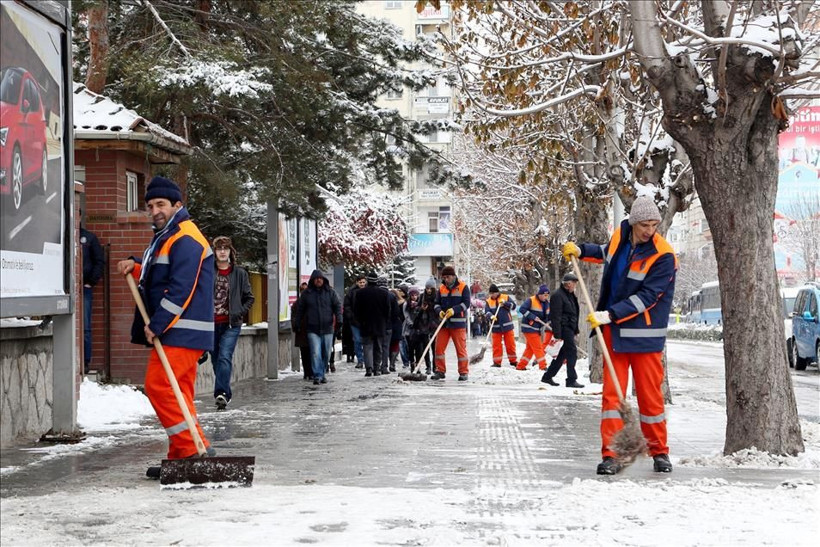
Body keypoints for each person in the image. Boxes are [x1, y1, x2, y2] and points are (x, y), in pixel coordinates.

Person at [563, 195, 677, 475]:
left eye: (654, 225)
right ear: (633, 222)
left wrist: (610, 314)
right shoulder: (620, 236)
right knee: (612, 398)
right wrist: (580, 250)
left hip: (644, 336)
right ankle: (611, 454)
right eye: (645, 225)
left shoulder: (663, 256)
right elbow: (604, 253)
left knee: (651, 398)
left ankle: (659, 451)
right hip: (614, 334)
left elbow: (648, 297)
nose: (650, 230)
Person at [117, 175, 214, 460]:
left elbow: (181, 288)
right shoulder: (168, 236)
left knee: (159, 387)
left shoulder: (186, 237)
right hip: (182, 329)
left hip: (182, 329)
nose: (154, 210)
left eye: (161, 204)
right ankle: (190, 449)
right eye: (149, 205)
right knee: (177, 391)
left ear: (177, 204)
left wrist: (157, 324)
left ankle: (188, 452)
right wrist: (136, 267)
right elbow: (158, 276)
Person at [208, 236, 254, 410]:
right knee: (215, 360)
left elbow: (250, 298)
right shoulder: (208, 271)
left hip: (231, 324)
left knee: (225, 356)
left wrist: (239, 312)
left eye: (225, 249)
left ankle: (222, 393)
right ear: (214, 252)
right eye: (219, 248)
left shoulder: (239, 273)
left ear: (230, 252)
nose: (222, 251)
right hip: (211, 324)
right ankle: (224, 392)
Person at [292, 270, 342, 385]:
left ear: (324, 280)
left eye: (320, 278)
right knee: (315, 352)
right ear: (312, 280)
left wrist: (339, 320)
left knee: (326, 352)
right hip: (312, 328)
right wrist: (297, 323)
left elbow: (337, 306)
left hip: (328, 328)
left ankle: (323, 371)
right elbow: (300, 310)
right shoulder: (307, 294)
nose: (318, 280)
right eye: (316, 278)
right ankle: (317, 375)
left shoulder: (330, 292)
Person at [540, 275, 583, 387]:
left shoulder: (570, 295)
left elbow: (574, 313)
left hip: (570, 327)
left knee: (562, 354)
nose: (575, 286)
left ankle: (548, 376)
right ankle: (571, 379)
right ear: (568, 284)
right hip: (564, 328)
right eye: (574, 283)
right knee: (572, 352)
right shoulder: (558, 295)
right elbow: (556, 316)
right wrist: (557, 333)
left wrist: (576, 328)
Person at [433, 265, 471, 381]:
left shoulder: (463, 287)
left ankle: (463, 372)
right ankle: (440, 371)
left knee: (460, 349)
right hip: (443, 324)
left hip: (458, 324)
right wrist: (439, 312)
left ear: (453, 276)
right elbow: (436, 303)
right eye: (443, 277)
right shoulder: (441, 288)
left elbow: (466, 304)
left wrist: (454, 310)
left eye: (447, 277)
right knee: (439, 349)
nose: (445, 279)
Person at [353, 271, 392, 377]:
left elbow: (357, 310)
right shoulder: (384, 293)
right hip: (380, 324)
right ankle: (377, 368)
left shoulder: (360, 293)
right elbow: (387, 310)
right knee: (378, 347)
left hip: (366, 324)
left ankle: (369, 368)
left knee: (367, 346)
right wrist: (384, 321)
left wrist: (360, 321)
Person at [80, 226, 104, 374]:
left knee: (85, 326)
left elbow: (99, 261)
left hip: (84, 288)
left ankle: (85, 361)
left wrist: (91, 281)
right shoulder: (61, 234)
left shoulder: (89, 238)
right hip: (65, 288)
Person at [515, 285, 551, 371]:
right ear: (539, 294)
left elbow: (547, 316)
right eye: (544, 295)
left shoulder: (547, 304)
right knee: (538, 347)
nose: (546, 297)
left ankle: (521, 366)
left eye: (547, 295)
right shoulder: (531, 300)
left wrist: (549, 322)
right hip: (528, 327)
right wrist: (533, 317)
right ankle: (543, 366)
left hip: (537, 329)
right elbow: (522, 309)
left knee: (530, 349)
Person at [485, 284, 517, 367]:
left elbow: (513, 306)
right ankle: (497, 362)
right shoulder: (488, 301)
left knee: (510, 344)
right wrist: (491, 316)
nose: (492, 295)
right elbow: (487, 312)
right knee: (496, 346)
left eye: (493, 293)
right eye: (491, 294)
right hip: (495, 327)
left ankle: (513, 361)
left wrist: (505, 303)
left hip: (507, 326)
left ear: (497, 293)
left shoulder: (505, 297)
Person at [344, 274, 366, 368]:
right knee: (357, 341)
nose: (362, 284)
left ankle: (366, 359)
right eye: (360, 282)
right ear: (357, 282)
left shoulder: (368, 291)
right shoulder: (351, 292)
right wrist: (351, 316)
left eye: (363, 282)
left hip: (366, 321)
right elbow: (347, 305)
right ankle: (360, 360)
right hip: (354, 320)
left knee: (366, 341)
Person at [292, 282, 312, 380]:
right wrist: (296, 327)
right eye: (302, 290)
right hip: (302, 332)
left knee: (312, 353)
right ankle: (307, 372)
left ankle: (311, 372)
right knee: (304, 353)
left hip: (311, 331)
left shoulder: (312, 302)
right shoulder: (297, 304)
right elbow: (294, 318)